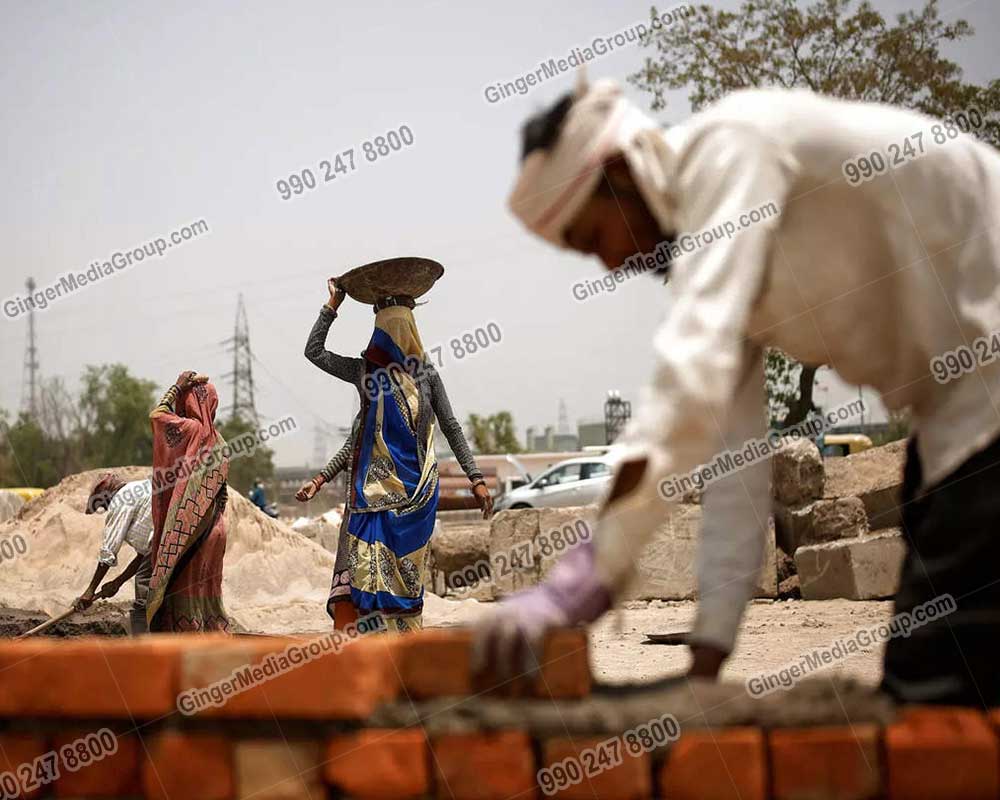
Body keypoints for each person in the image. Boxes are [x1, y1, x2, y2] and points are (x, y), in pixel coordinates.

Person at [475, 77, 1000, 707]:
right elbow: (736, 473)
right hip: (956, 416)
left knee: (937, 698)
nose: (610, 266)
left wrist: (590, 572)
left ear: (618, 170)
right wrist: (704, 672)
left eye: (593, 239)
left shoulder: (731, 147)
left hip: (983, 394)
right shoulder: (719, 255)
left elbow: (686, 379)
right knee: (942, 688)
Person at [305, 278, 493, 632]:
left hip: (415, 498)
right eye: (386, 327)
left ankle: (405, 654)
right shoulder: (366, 373)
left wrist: (476, 479)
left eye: (400, 326)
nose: (393, 334)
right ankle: (371, 656)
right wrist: (332, 307)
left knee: (406, 583)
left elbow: (451, 427)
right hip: (370, 500)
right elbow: (314, 352)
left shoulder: (427, 376)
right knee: (366, 581)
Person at [146, 370, 230, 632]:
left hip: (190, 530)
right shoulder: (220, 443)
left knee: (179, 591)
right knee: (206, 590)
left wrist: (176, 387)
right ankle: (213, 643)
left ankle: (184, 649)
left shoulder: (189, 429)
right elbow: (222, 494)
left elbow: (157, 416)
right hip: (215, 528)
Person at [296, 414, 362, 629]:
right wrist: (319, 480)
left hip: (391, 515)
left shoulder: (413, 403)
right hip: (356, 512)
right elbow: (349, 449)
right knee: (346, 591)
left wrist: (472, 476)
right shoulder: (367, 409)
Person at [75, 473, 154, 634]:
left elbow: (109, 550)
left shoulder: (121, 499)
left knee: (143, 590)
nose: (105, 509)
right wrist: (117, 583)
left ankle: (142, 642)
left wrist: (90, 590)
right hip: (166, 541)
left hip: (161, 542)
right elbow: (143, 556)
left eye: (102, 505)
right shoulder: (138, 489)